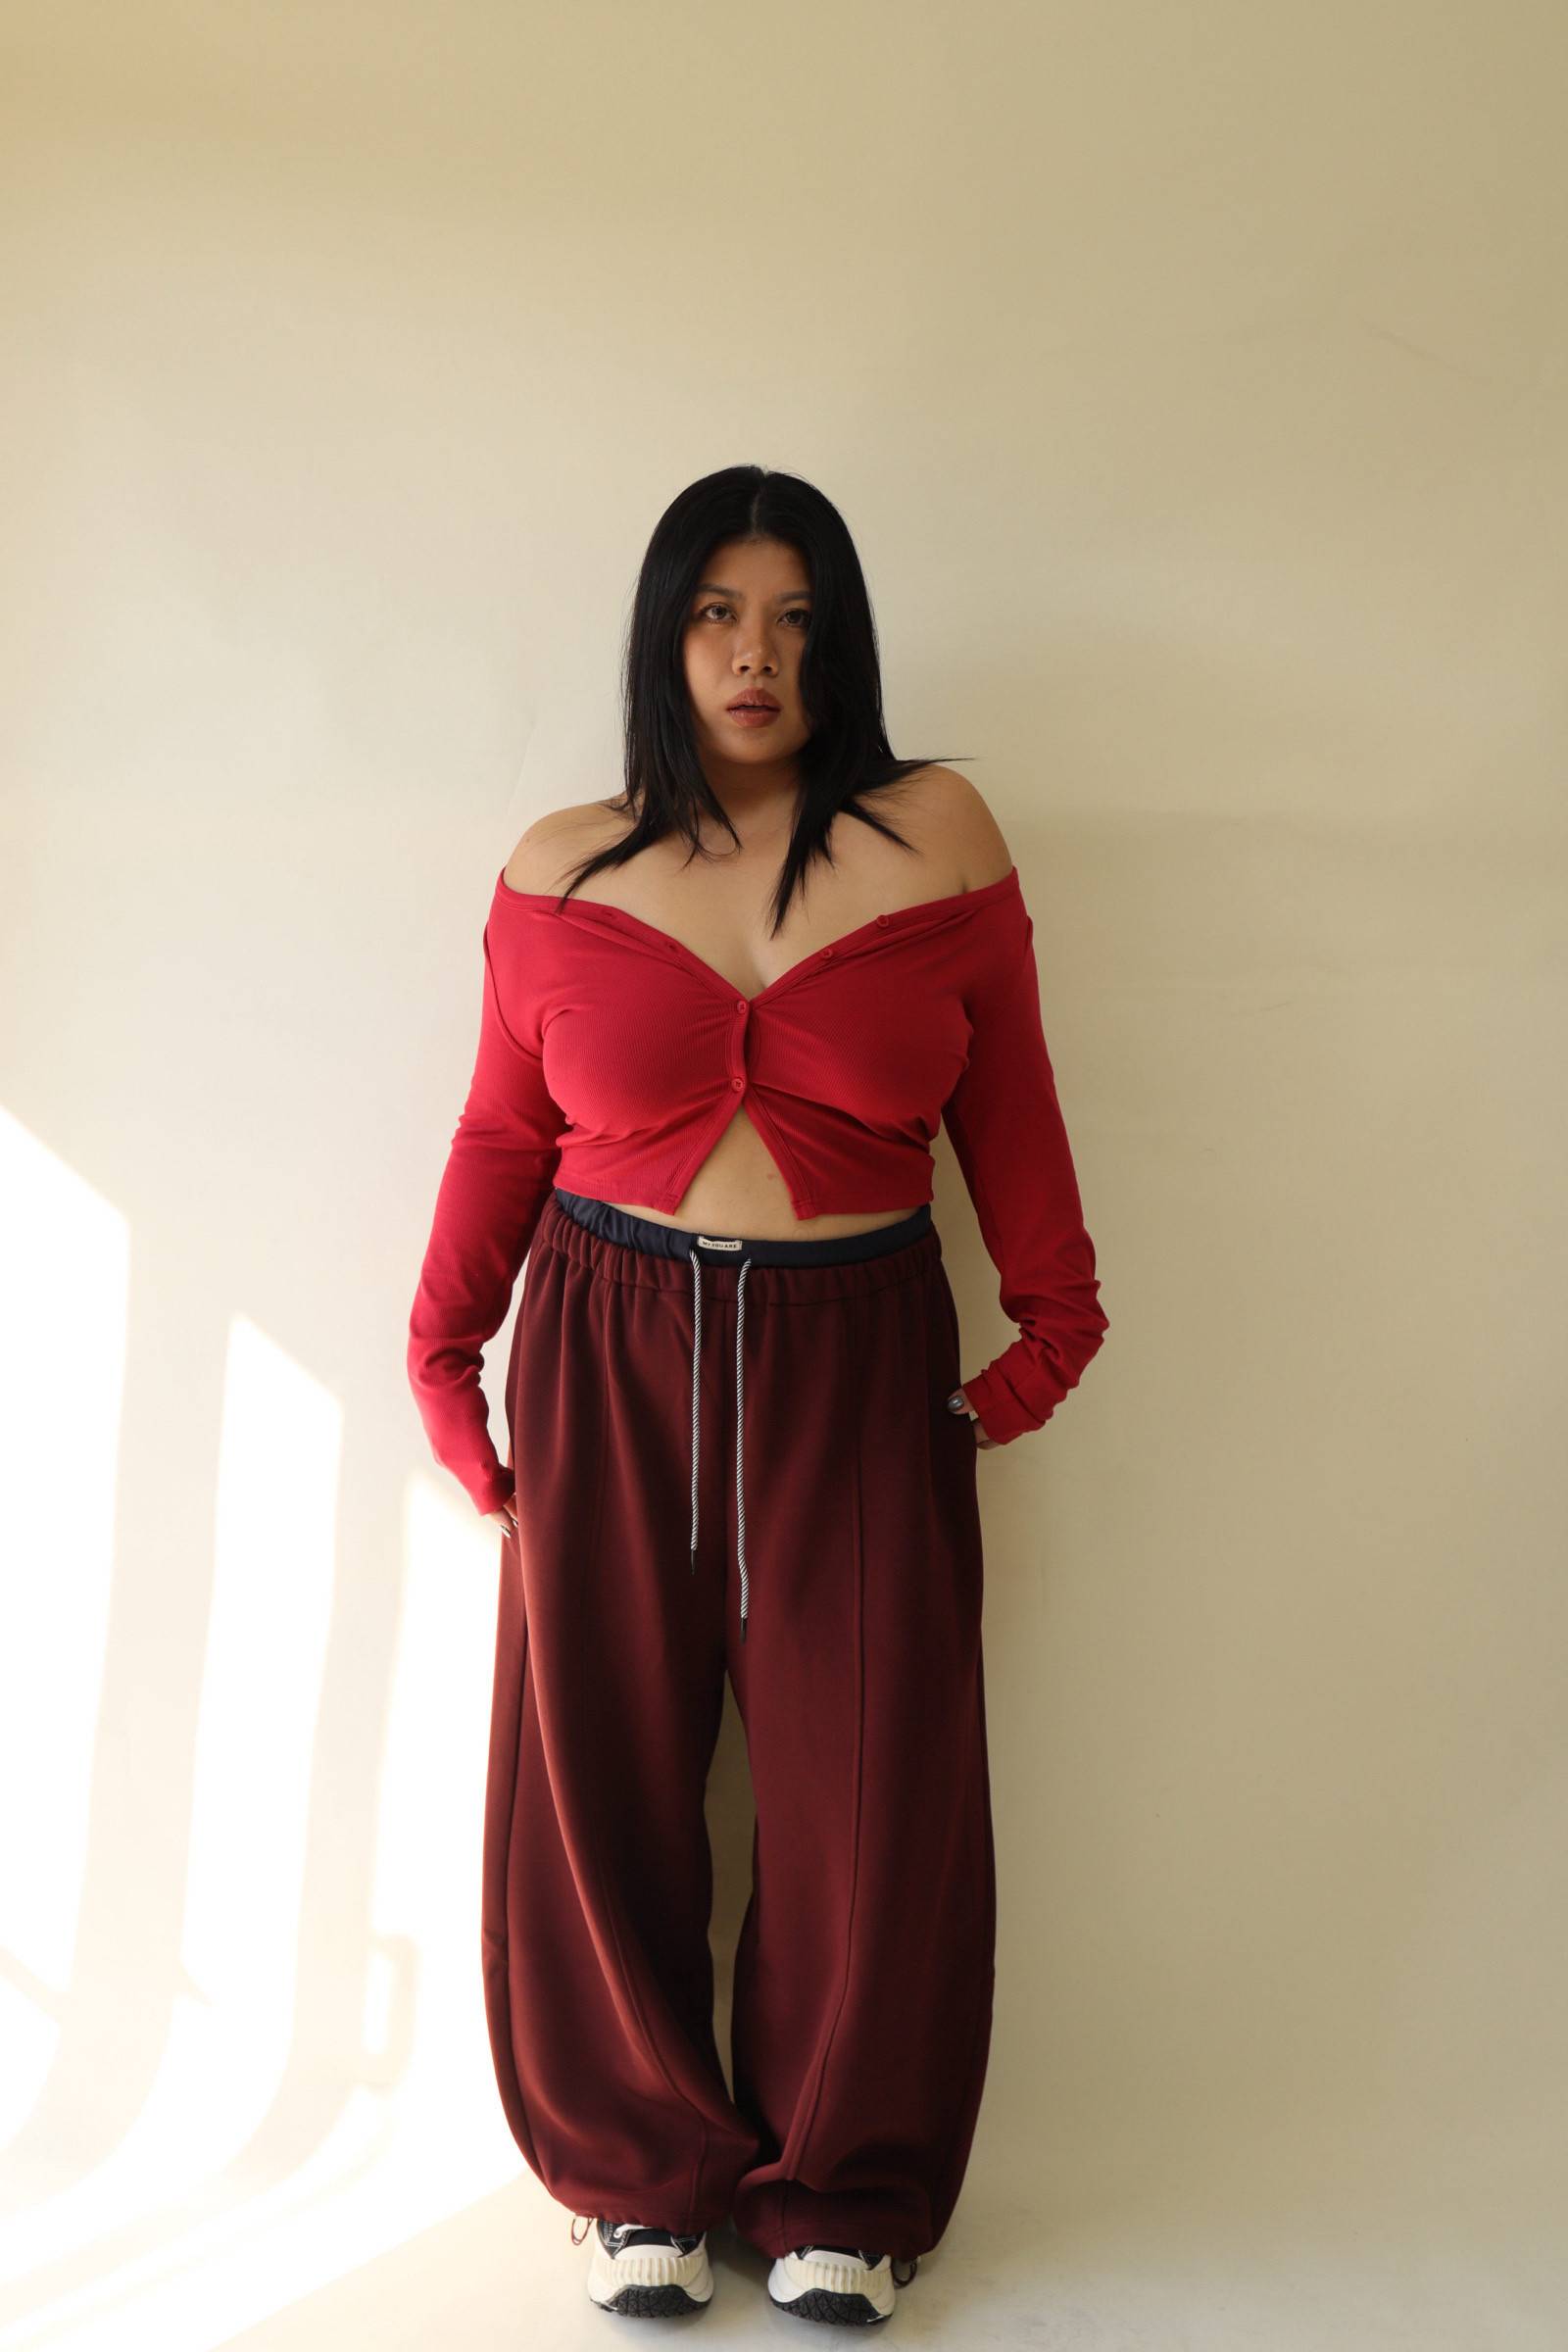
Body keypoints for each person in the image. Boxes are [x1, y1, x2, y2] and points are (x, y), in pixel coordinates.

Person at [406, 466, 1108, 2328]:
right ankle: (637, 2175)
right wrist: (443, 1360)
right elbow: (502, 1132)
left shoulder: (938, 836)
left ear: (842, 641)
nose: (755, 655)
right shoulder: (562, 864)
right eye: (719, 613)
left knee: (869, 1785)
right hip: (606, 1343)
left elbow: (1012, 1102)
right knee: (598, 1765)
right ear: (665, 633)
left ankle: (840, 2190)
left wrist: (1044, 1342)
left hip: (851, 1349)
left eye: (796, 618)